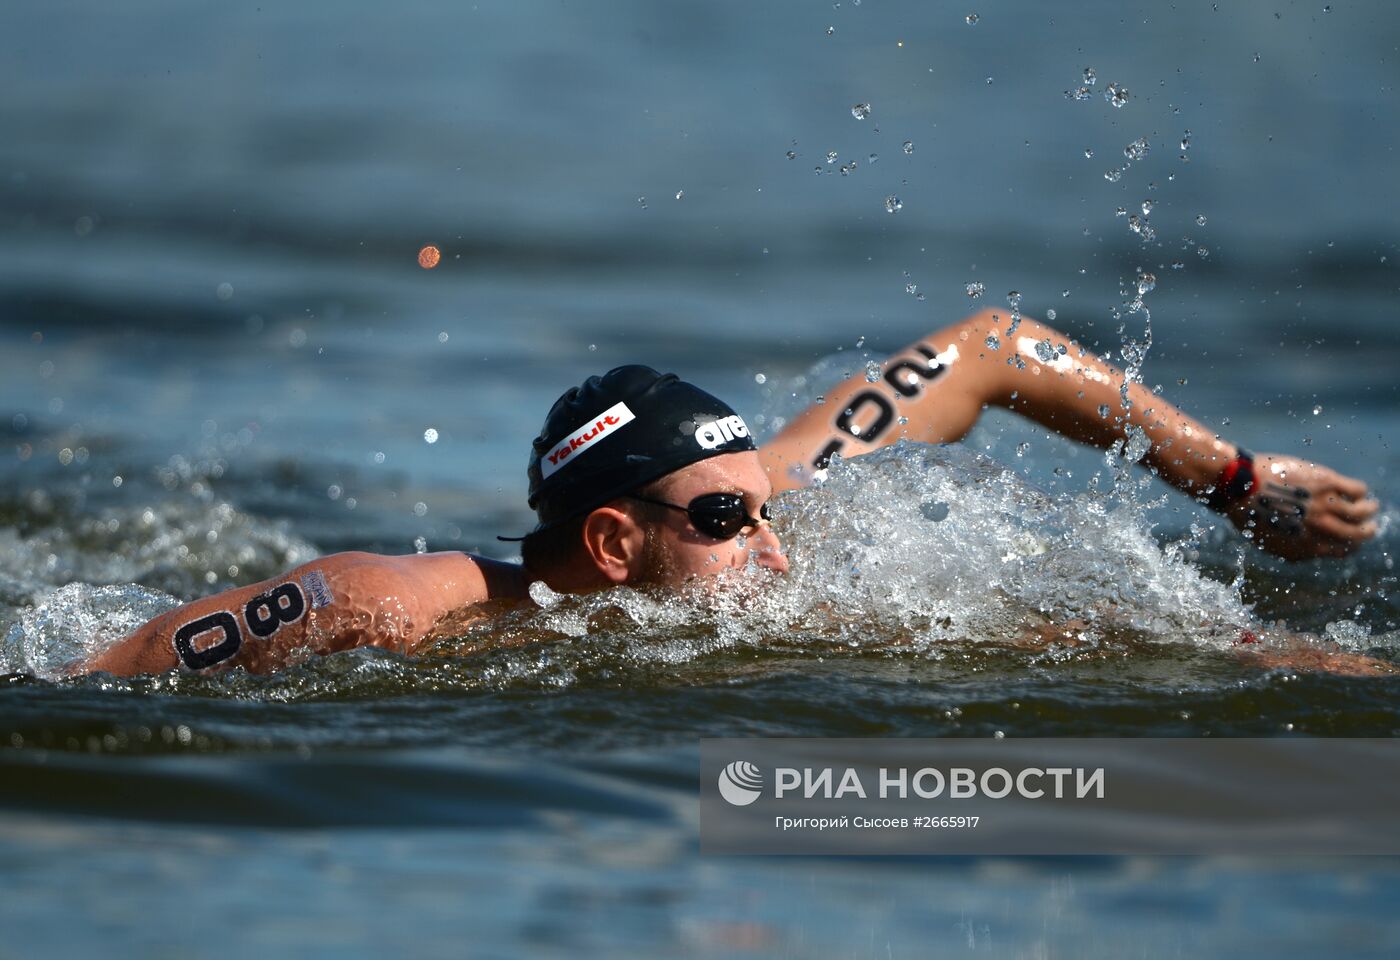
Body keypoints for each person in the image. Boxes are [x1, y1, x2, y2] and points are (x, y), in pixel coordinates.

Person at [80, 310, 1380, 677]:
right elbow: (126, 660)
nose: (773, 539)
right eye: (723, 519)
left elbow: (990, 348)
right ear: (609, 536)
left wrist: (1235, 483)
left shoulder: (762, 514)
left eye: (759, 501)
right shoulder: (403, 610)